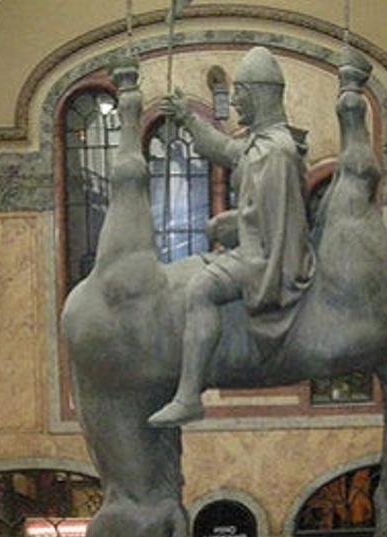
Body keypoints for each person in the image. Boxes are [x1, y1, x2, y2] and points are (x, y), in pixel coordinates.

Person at [149, 46, 315, 427]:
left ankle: (189, 396)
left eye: (240, 93)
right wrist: (187, 119)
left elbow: (278, 224)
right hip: (257, 245)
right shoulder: (263, 145)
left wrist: (231, 224)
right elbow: (224, 149)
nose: (235, 101)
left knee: (200, 289)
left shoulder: (278, 153)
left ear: (258, 94)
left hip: (271, 259)